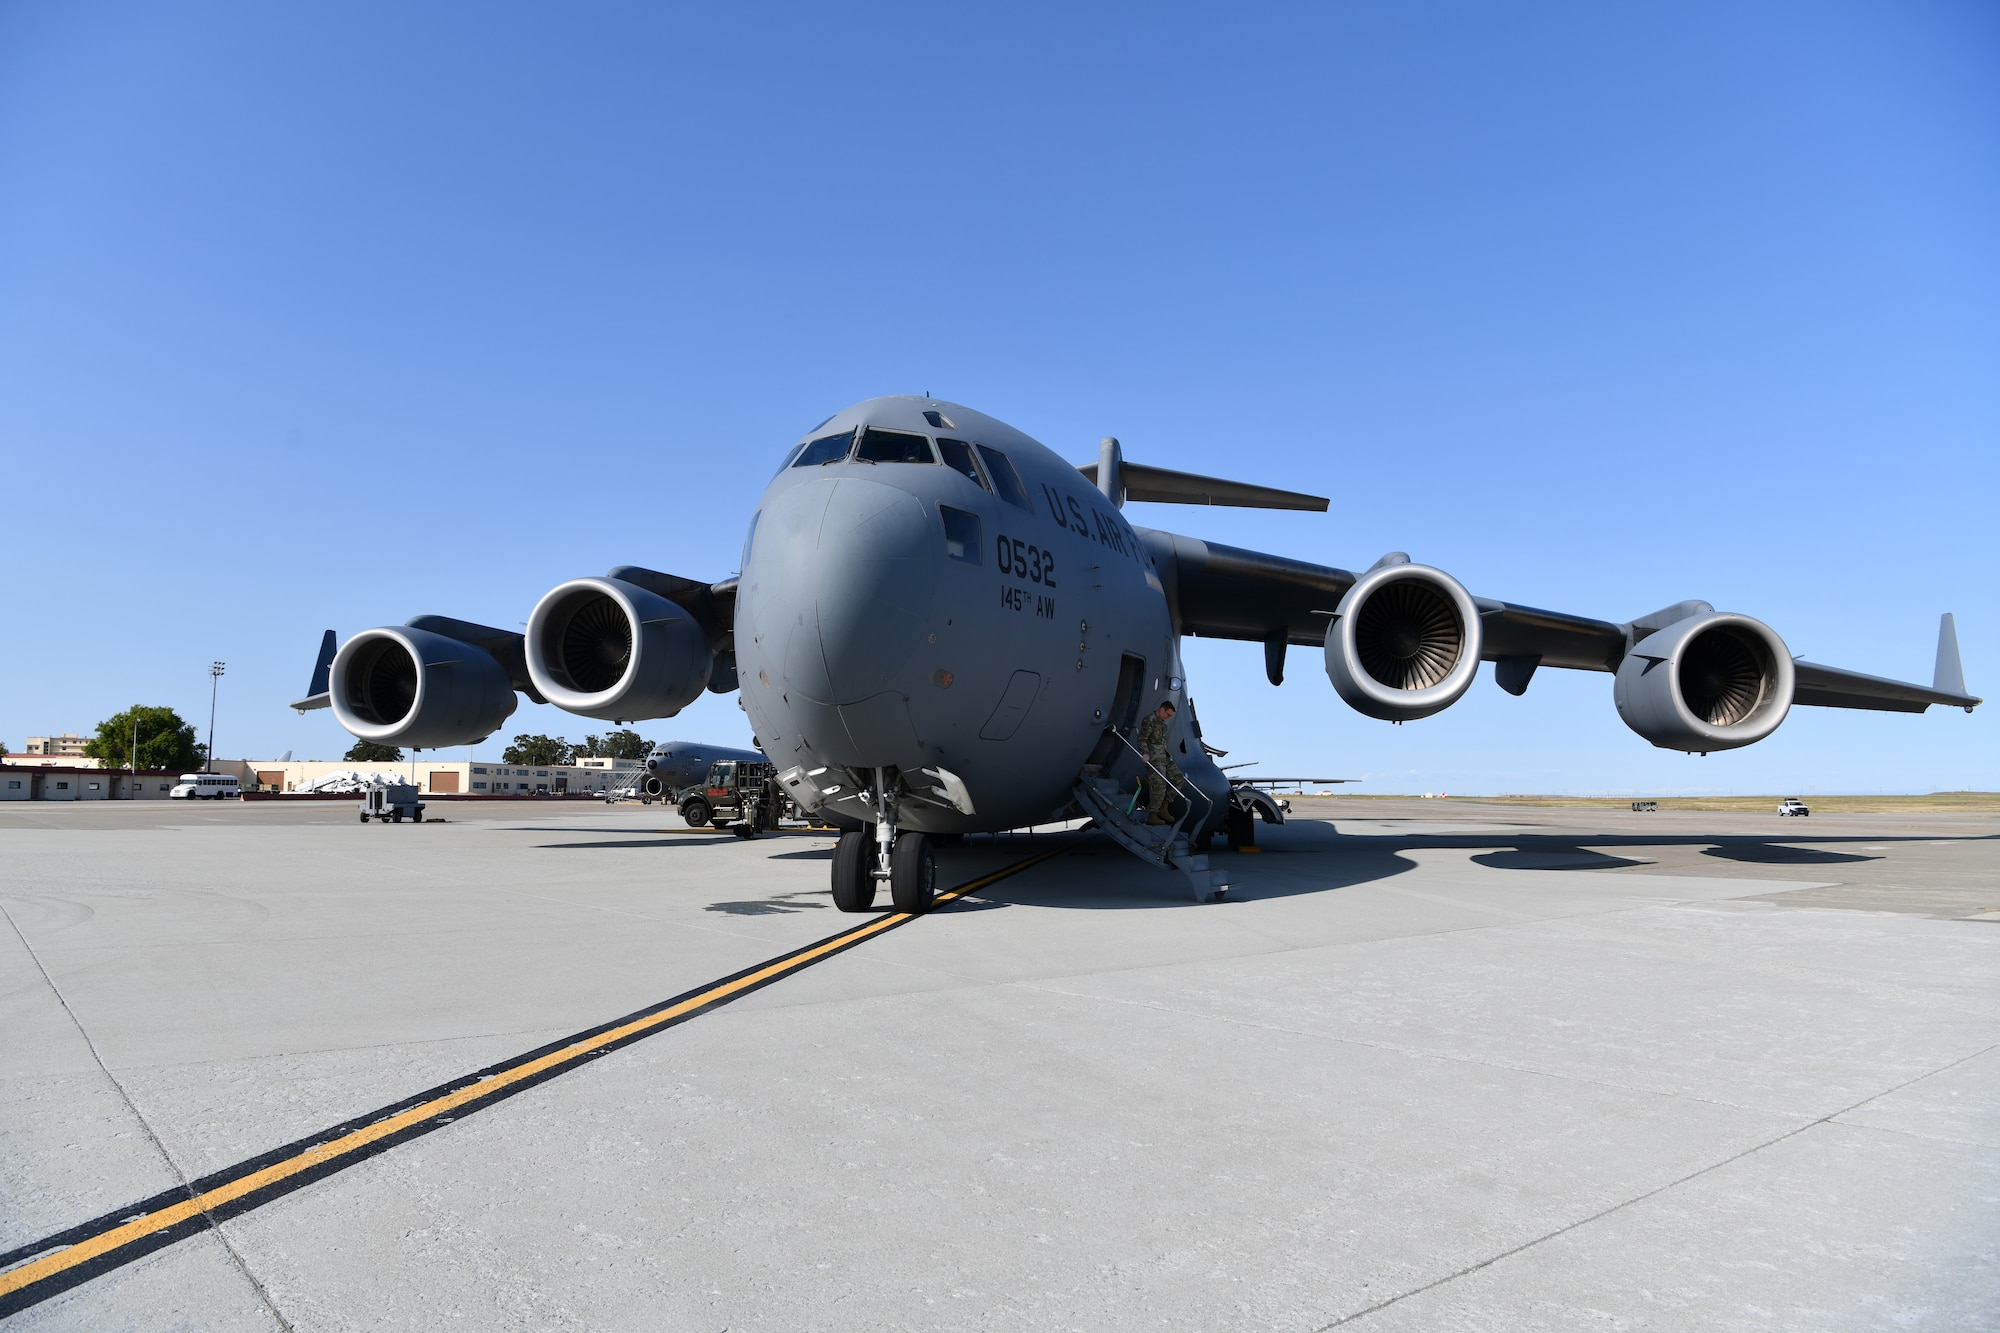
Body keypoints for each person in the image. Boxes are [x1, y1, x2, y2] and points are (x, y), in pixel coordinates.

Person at [1135, 700, 1184, 825]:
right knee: (1159, 784)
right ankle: (1152, 814)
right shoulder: (1149, 720)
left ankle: (1164, 805)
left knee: (1178, 778)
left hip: (1164, 758)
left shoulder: (1162, 724)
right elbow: (1142, 739)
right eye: (1167, 714)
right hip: (1154, 760)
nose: (1168, 717)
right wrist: (1145, 753)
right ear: (1161, 709)